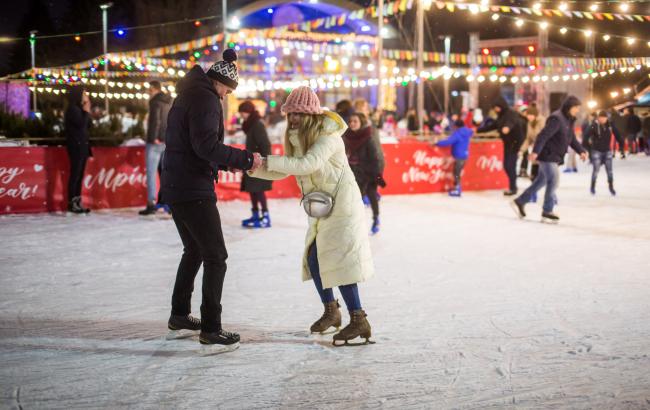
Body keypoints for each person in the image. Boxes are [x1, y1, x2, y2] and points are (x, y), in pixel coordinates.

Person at [249, 86, 375, 346]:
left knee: (339, 261)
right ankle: (332, 311)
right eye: (290, 114)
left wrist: (267, 161)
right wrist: (255, 167)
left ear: (311, 115)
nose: (293, 119)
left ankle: (358, 318)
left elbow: (307, 165)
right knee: (315, 258)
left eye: (298, 114)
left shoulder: (328, 136)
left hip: (343, 206)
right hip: (322, 207)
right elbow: (289, 168)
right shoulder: (299, 138)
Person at [160, 49, 263, 349]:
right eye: (227, 91)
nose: (226, 96)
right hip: (192, 187)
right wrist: (244, 159)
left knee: (193, 249)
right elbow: (206, 146)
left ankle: (179, 314)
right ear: (219, 82)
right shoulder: (205, 98)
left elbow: (195, 145)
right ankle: (211, 327)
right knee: (216, 256)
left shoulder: (189, 93)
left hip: (177, 183)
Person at [511, 96, 588, 223]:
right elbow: (543, 136)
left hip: (555, 155)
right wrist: (535, 152)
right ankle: (547, 210)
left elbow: (571, 138)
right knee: (554, 180)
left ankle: (520, 201)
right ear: (569, 107)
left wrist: (581, 151)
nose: (577, 111)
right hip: (547, 155)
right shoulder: (557, 118)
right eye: (576, 108)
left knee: (540, 182)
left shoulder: (568, 120)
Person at [477, 96, 525, 196]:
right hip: (507, 144)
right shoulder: (501, 115)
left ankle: (513, 188)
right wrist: (478, 130)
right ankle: (513, 186)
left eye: (496, 107)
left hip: (514, 143)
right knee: (506, 166)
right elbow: (494, 125)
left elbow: (511, 122)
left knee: (510, 166)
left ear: (501, 106)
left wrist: (507, 127)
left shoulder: (511, 113)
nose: (495, 109)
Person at [342, 112, 382, 234]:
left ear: (361, 123)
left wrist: (376, 177)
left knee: (371, 195)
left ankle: (376, 219)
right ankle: (354, 224)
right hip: (352, 173)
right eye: (351, 121)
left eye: (355, 121)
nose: (352, 124)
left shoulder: (368, 138)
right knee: (353, 200)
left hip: (368, 173)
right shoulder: (346, 137)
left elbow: (375, 159)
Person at [139, 81, 172, 215]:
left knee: (151, 174)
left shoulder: (155, 102)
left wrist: (153, 138)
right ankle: (166, 202)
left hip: (155, 142)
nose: (148, 92)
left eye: (149, 89)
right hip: (166, 141)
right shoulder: (169, 101)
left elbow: (155, 121)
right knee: (165, 173)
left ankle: (151, 203)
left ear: (154, 89)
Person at [238, 100, 273, 228]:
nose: (241, 115)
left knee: (258, 190)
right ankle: (255, 215)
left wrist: (266, 161)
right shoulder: (250, 124)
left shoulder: (257, 124)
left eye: (243, 112)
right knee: (252, 190)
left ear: (248, 111)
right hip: (251, 162)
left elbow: (265, 144)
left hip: (259, 163)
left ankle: (265, 216)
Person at [64, 85, 92, 214]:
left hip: (83, 146)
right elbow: (80, 124)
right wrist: (86, 111)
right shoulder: (72, 109)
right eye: (84, 94)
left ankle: (77, 200)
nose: (86, 96)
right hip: (76, 146)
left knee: (80, 175)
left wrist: (86, 111)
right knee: (75, 175)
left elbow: (88, 125)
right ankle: (72, 202)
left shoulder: (79, 109)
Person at [582, 111, 622, 196]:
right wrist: (590, 148)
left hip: (607, 151)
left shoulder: (610, 125)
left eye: (604, 117)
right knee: (595, 170)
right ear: (598, 117)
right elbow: (585, 138)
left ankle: (611, 187)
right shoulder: (593, 125)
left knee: (609, 171)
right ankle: (592, 187)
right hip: (596, 151)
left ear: (607, 118)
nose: (602, 119)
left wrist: (621, 144)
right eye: (600, 117)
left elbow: (618, 135)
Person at [435, 119, 473, 197]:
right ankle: (456, 188)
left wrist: (437, 143)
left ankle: (458, 189)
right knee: (456, 173)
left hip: (459, 156)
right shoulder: (467, 132)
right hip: (464, 155)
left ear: (456, 126)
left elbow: (448, 142)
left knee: (456, 173)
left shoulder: (458, 134)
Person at [519, 105, 545, 182]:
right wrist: (522, 149)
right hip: (536, 150)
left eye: (530, 115)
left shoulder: (542, 121)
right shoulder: (530, 123)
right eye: (527, 115)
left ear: (535, 115)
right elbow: (528, 138)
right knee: (534, 174)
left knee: (544, 174)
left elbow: (544, 137)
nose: (528, 117)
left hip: (544, 150)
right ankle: (534, 191)